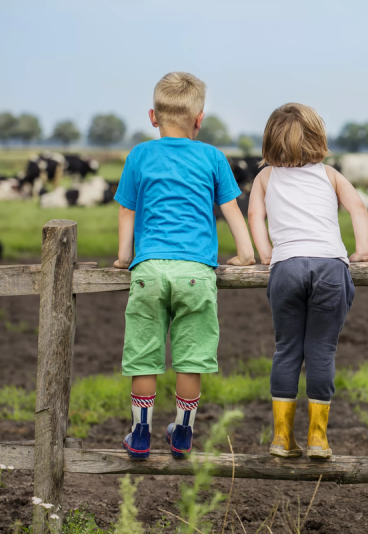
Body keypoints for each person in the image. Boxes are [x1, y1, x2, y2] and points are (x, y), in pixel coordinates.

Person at [114, 72, 255, 460]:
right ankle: (182, 433)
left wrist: (125, 257)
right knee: (191, 356)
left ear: (152, 116)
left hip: (148, 271)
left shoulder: (140, 154)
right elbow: (231, 210)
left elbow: (127, 210)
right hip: (195, 271)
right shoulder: (212, 157)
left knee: (144, 353)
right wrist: (246, 254)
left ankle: (139, 433)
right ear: (199, 119)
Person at [248, 103, 368, 459]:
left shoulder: (266, 177)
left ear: (270, 140)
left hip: (286, 266)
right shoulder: (329, 175)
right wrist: (361, 249)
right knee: (321, 350)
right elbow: (358, 208)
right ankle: (318, 438)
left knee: (287, 349)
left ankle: (282, 439)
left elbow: (256, 214)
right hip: (330, 265)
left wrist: (266, 252)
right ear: (318, 137)